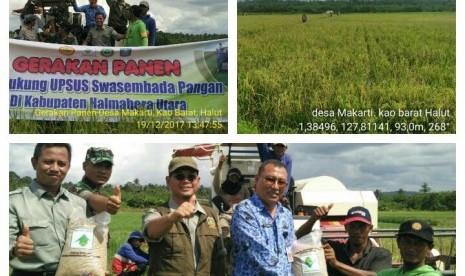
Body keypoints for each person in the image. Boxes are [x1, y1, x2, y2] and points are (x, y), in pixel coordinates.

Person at [9, 143, 88, 275]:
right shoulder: (13, 201)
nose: (55, 168)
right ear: (34, 163)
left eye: (62, 164)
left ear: (68, 167)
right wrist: (14, 249)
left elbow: (83, 243)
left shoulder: (79, 203)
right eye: (48, 162)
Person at [142, 156, 225, 275]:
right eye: (179, 176)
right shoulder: (156, 212)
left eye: (191, 176)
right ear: (168, 180)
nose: (186, 180)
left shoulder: (211, 214)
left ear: (198, 181)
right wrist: (172, 217)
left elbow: (220, 256)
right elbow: (151, 231)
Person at [230, 159, 294, 275]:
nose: (275, 187)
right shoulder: (244, 211)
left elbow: (289, 251)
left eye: (281, 182)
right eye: (270, 179)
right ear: (257, 179)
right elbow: (264, 256)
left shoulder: (286, 214)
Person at [301, 205, 392, 276]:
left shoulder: (381, 254)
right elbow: (302, 237)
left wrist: (336, 263)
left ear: (370, 228)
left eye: (362, 226)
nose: (357, 231)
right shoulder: (333, 248)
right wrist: (314, 218)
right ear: (346, 228)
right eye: (353, 226)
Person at [68, 147, 121, 215]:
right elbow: (90, 198)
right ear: (84, 166)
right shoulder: (76, 190)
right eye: (98, 165)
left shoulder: (96, 192)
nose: (103, 171)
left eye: (108, 167)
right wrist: (108, 203)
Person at [212, 154, 250, 237]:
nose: (233, 179)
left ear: (239, 178)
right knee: (224, 229)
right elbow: (216, 183)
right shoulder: (222, 188)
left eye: (236, 177)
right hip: (225, 216)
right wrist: (219, 166)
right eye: (231, 177)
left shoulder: (244, 188)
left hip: (241, 216)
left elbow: (249, 203)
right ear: (228, 177)